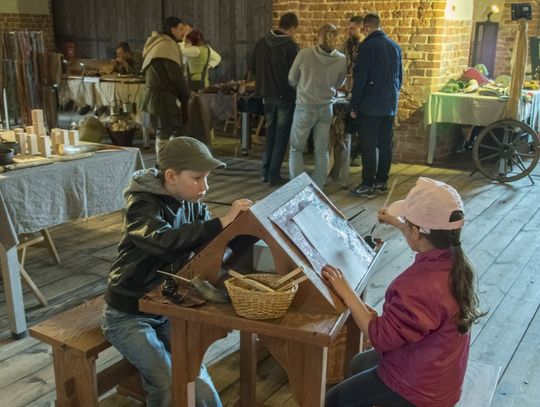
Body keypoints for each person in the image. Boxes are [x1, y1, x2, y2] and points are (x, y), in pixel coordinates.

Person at [102, 137, 253, 407]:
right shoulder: (142, 204)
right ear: (171, 176)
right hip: (128, 313)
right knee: (168, 383)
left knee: (199, 380)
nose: (205, 187)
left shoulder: (191, 200)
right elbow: (161, 241)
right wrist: (223, 221)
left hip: (169, 306)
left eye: (207, 178)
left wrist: (241, 228)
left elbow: (210, 242)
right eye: (197, 178)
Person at [323, 177, 484, 407]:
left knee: (335, 399)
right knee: (359, 363)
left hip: (419, 389)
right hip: (437, 370)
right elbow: (426, 236)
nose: (405, 226)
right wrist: (398, 222)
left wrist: (346, 291)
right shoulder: (453, 260)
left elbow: (379, 337)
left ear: (417, 231)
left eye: (407, 223)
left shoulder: (419, 286)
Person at [349, 14, 403, 198]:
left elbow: (360, 79)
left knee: (368, 145)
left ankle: (367, 184)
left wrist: (354, 105)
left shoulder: (367, 46)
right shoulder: (395, 47)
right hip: (389, 104)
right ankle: (381, 182)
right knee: (385, 144)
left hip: (370, 105)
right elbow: (399, 78)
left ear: (366, 27)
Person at [288, 24, 347, 188]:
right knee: (321, 150)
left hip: (305, 106)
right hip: (326, 107)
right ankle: (318, 185)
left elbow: (292, 78)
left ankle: (297, 186)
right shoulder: (341, 58)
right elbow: (340, 83)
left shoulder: (304, 54)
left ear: (318, 36)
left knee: (296, 149)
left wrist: (303, 85)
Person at [252, 12, 299, 186]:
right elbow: (296, 76)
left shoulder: (260, 43)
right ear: (292, 28)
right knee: (281, 136)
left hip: (266, 95)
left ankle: (265, 172)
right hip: (285, 96)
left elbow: (253, 68)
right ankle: (274, 174)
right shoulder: (291, 47)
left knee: (270, 134)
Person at [141, 16, 191, 156]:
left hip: (159, 95)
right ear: (172, 29)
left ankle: (170, 162)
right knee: (165, 131)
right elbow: (175, 75)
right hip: (162, 97)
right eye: (180, 29)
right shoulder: (167, 46)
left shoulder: (159, 43)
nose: (183, 32)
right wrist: (185, 94)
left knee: (173, 129)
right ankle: (164, 164)